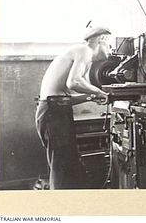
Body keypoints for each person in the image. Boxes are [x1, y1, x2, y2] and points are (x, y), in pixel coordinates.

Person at [35, 26, 111, 189]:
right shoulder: (85, 50)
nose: (110, 51)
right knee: (62, 166)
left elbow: (63, 98)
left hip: (55, 110)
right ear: (101, 40)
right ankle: (62, 206)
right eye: (109, 45)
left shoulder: (80, 55)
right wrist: (98, 91)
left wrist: (91, 96)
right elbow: (74, 82)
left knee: (68, 165)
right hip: (52, 113)